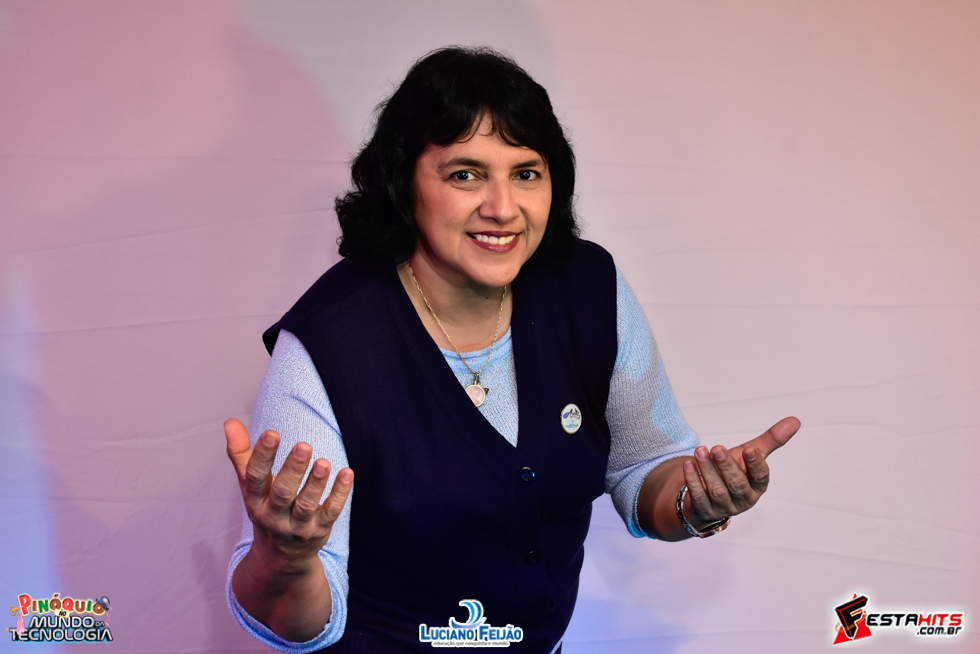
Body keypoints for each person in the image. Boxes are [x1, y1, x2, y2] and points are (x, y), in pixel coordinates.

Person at [224, 46, 799, 653]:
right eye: (465, 174)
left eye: (526, 173)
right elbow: (297, 622)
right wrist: (286, 561)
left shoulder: (587, 288)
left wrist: (695, 500)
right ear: (403, 182)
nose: (502, 209)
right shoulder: (328, 347)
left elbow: (642, 467)